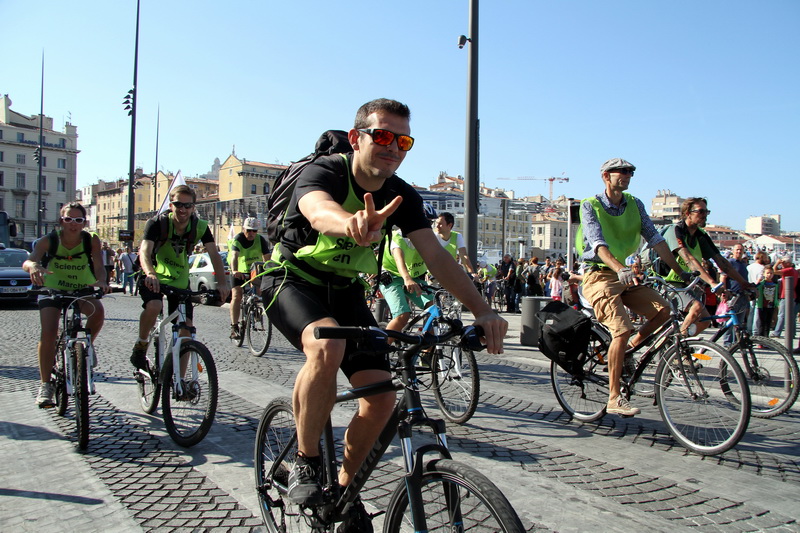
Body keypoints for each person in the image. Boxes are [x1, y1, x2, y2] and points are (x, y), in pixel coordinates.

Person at [259, 98, 506, 530]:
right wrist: (350, 222)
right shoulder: (327, 171)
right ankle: (305, 459)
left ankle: (343, 494)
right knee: (327, 342)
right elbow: (317, 211)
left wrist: (483, 310)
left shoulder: (401, 193)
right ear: (357, 138)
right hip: (292, 279)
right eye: (384, 136)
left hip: (346, 290)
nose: (394, 147)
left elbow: (436, 257)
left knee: (382, 399)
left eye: (404, 140)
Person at [577, 158, 689, 417]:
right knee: (622, 328)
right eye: (622, 172)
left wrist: (681, 272)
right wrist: (619, 268)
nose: (627, 176)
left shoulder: (635, 204)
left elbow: (656, 239)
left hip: (626, 276)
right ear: (606, 176)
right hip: (599, 275)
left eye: (630, 172)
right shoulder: (590, 204)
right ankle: (614, 397)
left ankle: (628, 349)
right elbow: (597, 244)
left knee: (665, 311)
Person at [130, 185, 231, 370]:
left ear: (193, 207)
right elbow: (144, 251)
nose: (183, 209)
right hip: (154, 275)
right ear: (171, 205)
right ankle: (141, 343)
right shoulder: (157, 223)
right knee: (154, 306)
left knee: (186, 329)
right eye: (178, 205)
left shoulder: (199, 226)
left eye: (188, 205)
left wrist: (222, 284)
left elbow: (214, 254)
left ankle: (182, 383)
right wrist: (151, 273)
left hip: (180, 280)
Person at [23, 202, 110, 407]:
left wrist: (102, 281)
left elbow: (99, 266)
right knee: (49, 332)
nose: (73, 224)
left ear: (84, 223)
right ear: (61, 221)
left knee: (98, 311)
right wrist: (34, 266)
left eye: (78, 220)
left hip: (81, 288)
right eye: (68, 219)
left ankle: (88, 344)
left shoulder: (91, 240)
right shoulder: (49, 240)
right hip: (51, 289)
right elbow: (29, 261)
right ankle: (45, 385)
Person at [662, 200, 752, 338]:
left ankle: (676, 348)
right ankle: (677, 347)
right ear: (687, 214)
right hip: (666, 282)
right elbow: (689, 259)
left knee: (704, 321)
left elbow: (722, 262)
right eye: (700, 211)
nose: (705, 215)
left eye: (706, 211)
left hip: (685, 284)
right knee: (696, 307)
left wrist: (744, 283)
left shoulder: (700, 235)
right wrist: (713, 283)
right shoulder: (676, 230)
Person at [379, 204, 439, 334]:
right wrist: (407, 278)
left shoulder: (426, 239)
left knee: (433, 309)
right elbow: (399, 260)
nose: (428, 225)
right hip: (392, 278)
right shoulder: (397, 237)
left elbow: (436, 261)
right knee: (403, 316)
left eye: (429, 222)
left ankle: (425, 351)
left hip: (414, 278)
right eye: (426, 222)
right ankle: (381, 350)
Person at [228, 217, 270, 339]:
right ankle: (234, 326)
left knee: (258, 293)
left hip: (254, 271)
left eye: (254, 231)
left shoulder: (260, 240)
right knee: (237, 295)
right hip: (239, 271)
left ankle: (256, 310)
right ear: (243, 229)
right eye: (248, 230)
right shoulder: (238, 239)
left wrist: (268, 270)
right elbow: (234, 256)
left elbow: (267, 257)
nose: (251, 233)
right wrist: (235, 270)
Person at [434, 211, 478, 279]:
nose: (437, 226)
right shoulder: (433, 236)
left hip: (450, 273)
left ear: (449, 225)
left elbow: (463, 255)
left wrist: (471, 273)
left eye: (440, 224)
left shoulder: (457, 236)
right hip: (434, 274)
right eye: (436, 223)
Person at [771, 257, 798, 338]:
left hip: (786, 294)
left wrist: (777, 262)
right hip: (792, 295)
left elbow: (773, 271)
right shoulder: (794, 270)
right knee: (791, 315)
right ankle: (792, 333)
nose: (782, 264)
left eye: (783, 262)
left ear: (788, 263)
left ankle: (777, 332)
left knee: (781, 315)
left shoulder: (788, 270)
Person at [746, 251, 770, 335]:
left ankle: (749, 329)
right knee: (756, 312)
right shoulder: (761, 268)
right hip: (757, 291)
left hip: (748, 289)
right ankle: (754, 331)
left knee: (750, 311)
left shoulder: (749, 267)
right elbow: (759, 280)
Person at [755, 265, 778, 339]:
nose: (769, 275)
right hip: (762, 306)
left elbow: (776, 295)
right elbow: (756, 289)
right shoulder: (761, 284)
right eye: (767, 273)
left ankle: (766, 339)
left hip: (771, 306)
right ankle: (761, 340)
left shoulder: (775, 284)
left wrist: (776, 304)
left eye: (771, 273)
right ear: (764, 274)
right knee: (762, 323)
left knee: (768, 323)